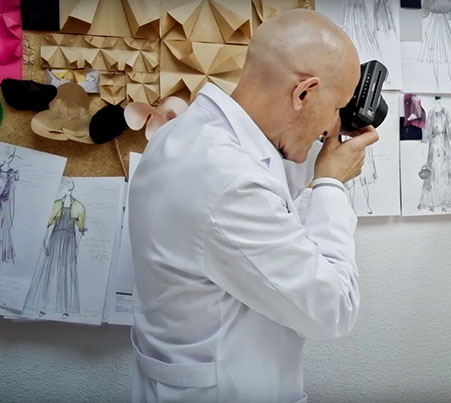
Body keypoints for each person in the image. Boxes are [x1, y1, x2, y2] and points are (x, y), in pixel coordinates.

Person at [128, 9, 378, 403]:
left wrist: (322, 150)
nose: (334, 125)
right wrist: (330, 185)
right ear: (303, 93)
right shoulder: (230, 183)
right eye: (337, 107)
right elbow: (333, 310)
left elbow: (267, 181)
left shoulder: (183, 135)